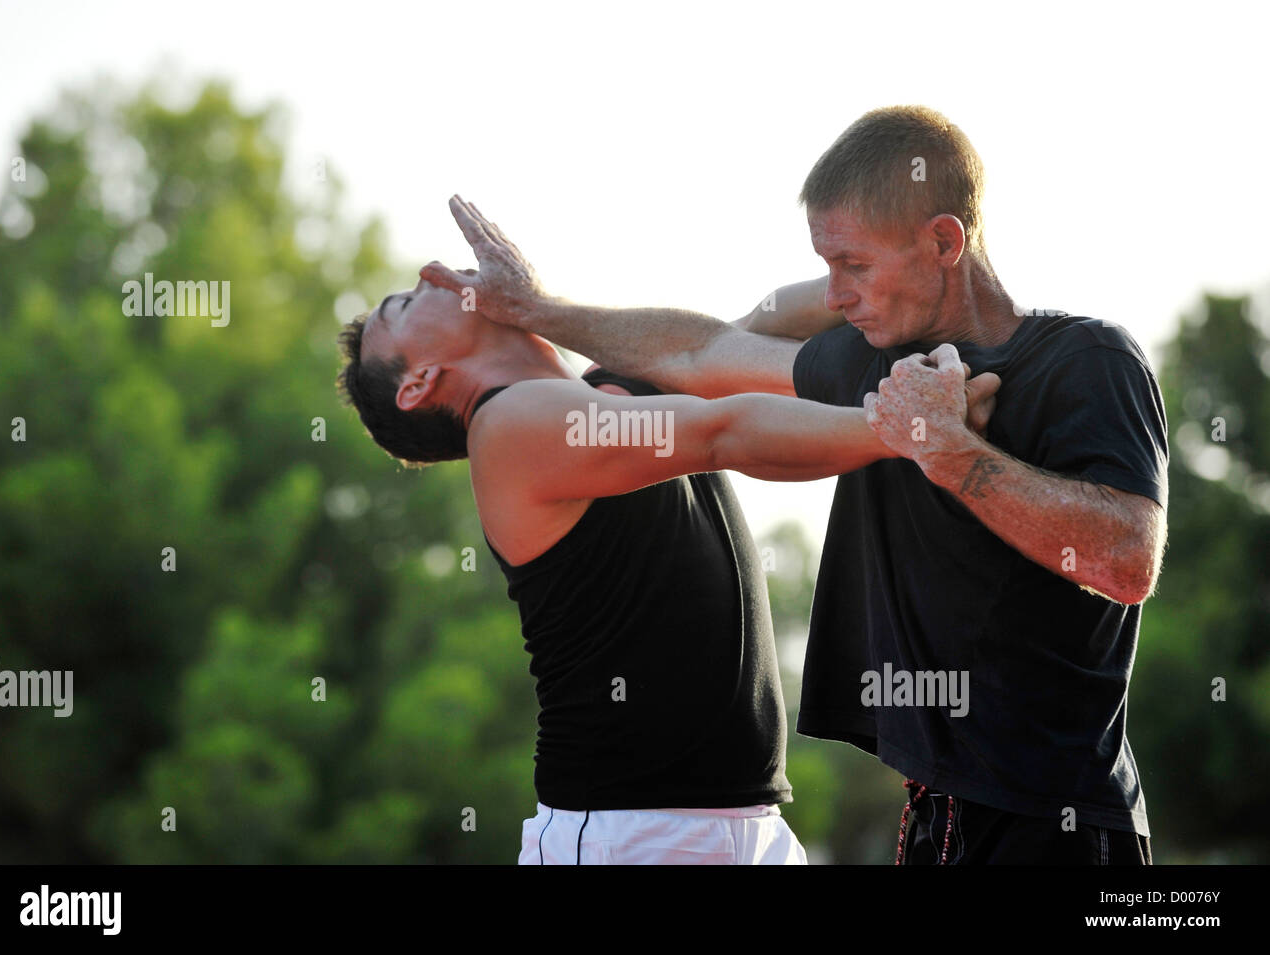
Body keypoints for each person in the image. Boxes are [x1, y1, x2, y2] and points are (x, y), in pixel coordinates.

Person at [420, 104, 1169, 865]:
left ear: (945, 240)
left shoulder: (1087, 358)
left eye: (853, 265)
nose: (833, 293)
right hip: (935, 816)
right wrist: (538, 307)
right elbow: (701, 350)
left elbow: (1126, 560)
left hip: (1063, 825)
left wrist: (951, 454)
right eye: (826, 265)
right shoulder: (872, 362)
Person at [336, 269, 999, 864]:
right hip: (630, 836)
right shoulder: (508, 428)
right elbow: (723, 432)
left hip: (745, 826)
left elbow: (748, 331)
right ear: (419, 382)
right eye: (403, 302)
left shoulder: (606, 391)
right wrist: (910, 428)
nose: (432, 273)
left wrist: (892, 277)